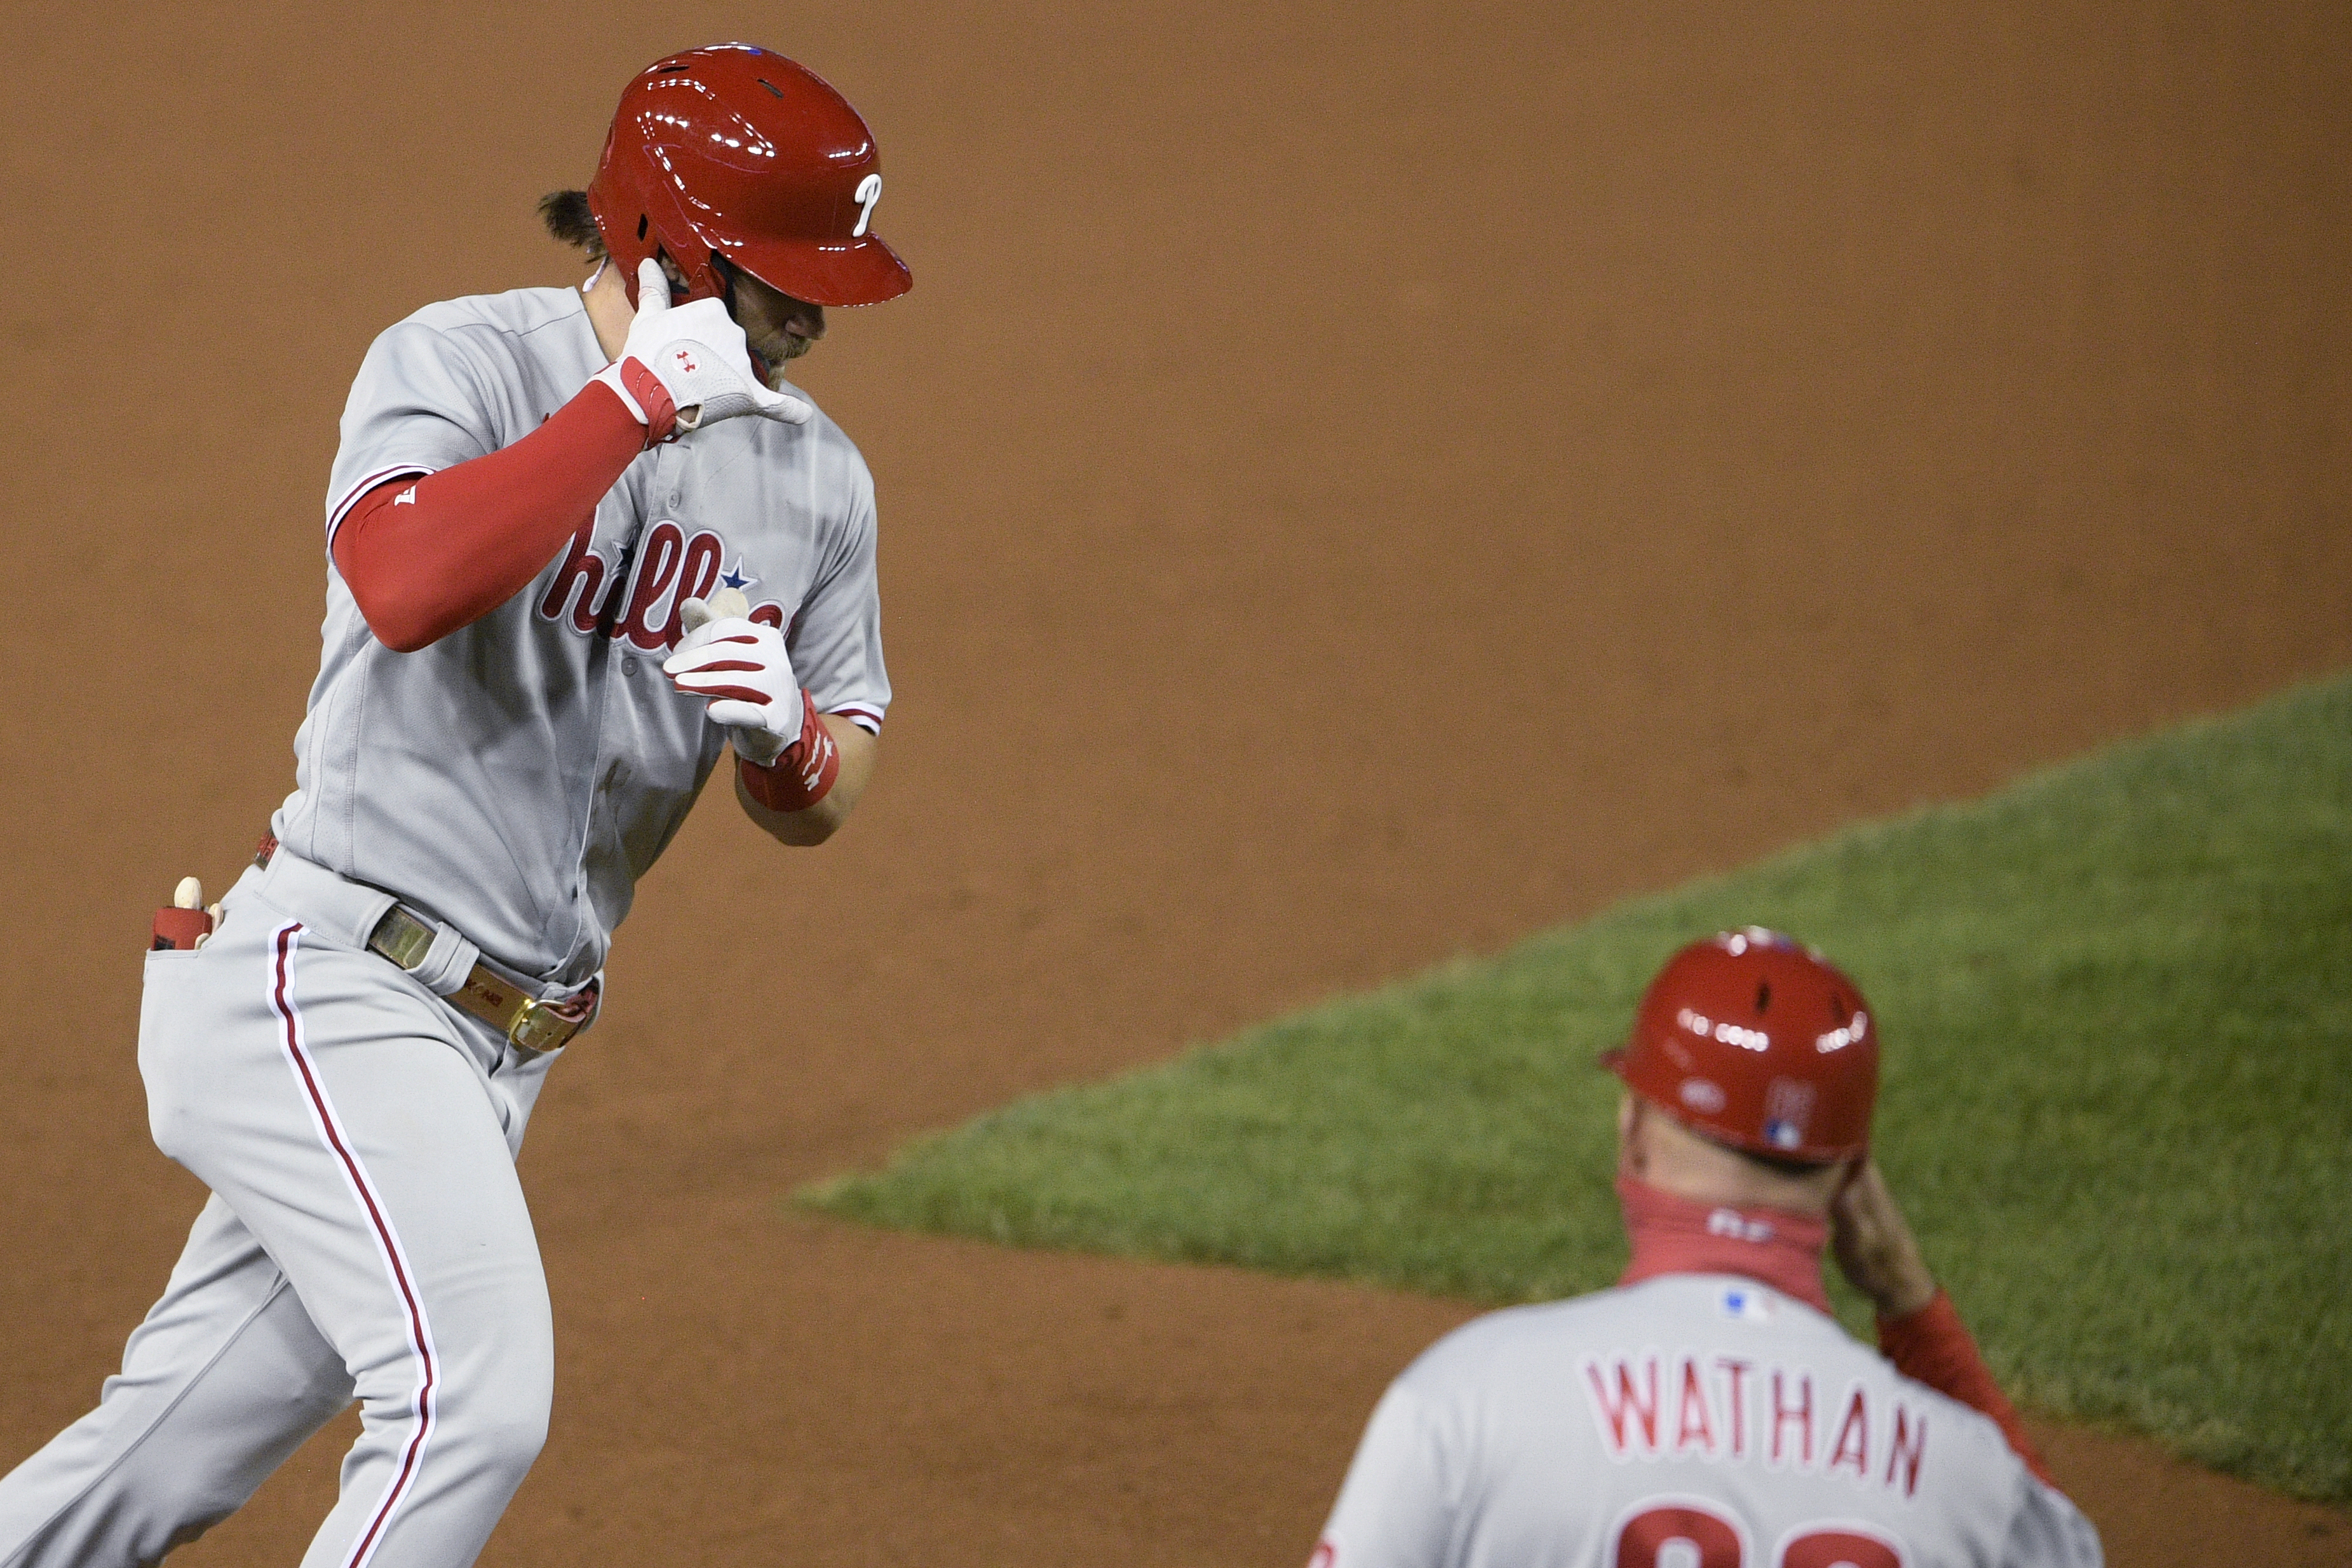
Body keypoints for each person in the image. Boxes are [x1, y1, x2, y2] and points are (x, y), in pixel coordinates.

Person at [0, 44, 905, 1568]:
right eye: (777, 275)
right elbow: (406, 582)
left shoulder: (815, 480)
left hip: (497, 1049)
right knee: (470, 1400)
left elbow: (838, 772)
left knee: (153, 1463)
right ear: (665, 249)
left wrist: (790, 744)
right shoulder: (461, 363)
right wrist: (624, 405)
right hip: (332, 985)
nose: (813, 313)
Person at [1311, 929, 2104, 1568]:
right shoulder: (1960, 1471)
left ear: (1632, 1131)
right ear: (1854, 1177)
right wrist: (1910, 1300)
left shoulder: (1469, 1396)